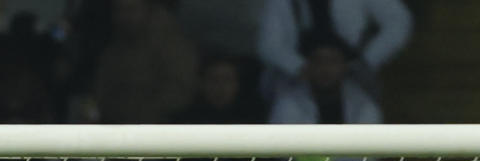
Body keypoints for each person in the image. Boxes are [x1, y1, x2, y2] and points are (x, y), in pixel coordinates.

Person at [256, 0, 411, 96]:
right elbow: (269, 44)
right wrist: (302, 68)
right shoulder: (280, 2)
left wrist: (368, 60)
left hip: (352, 71)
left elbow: (398, 21)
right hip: (296, 76)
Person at [89, 0, 197, 125]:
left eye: (131, 9)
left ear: (148, 9)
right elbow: (101, 92)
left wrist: (143, 111)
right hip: (115, 127)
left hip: (158, 127)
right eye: (119, 10)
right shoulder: (113, 48)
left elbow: (180, 91)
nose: (124, 16)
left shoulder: (172, 44)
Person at [267, 33, 380, 125]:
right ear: (307, 66)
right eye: (318, 60)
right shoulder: (287, 105)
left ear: (345, 67)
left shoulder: (364, 107)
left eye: (333, 61)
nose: (325, 68)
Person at [169, 54, 265, 125]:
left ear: (237, 84)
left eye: (227, 80)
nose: (221, 86)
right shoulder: (184, 123)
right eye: (214, 79)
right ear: (201, 84)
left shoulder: (252, 123)